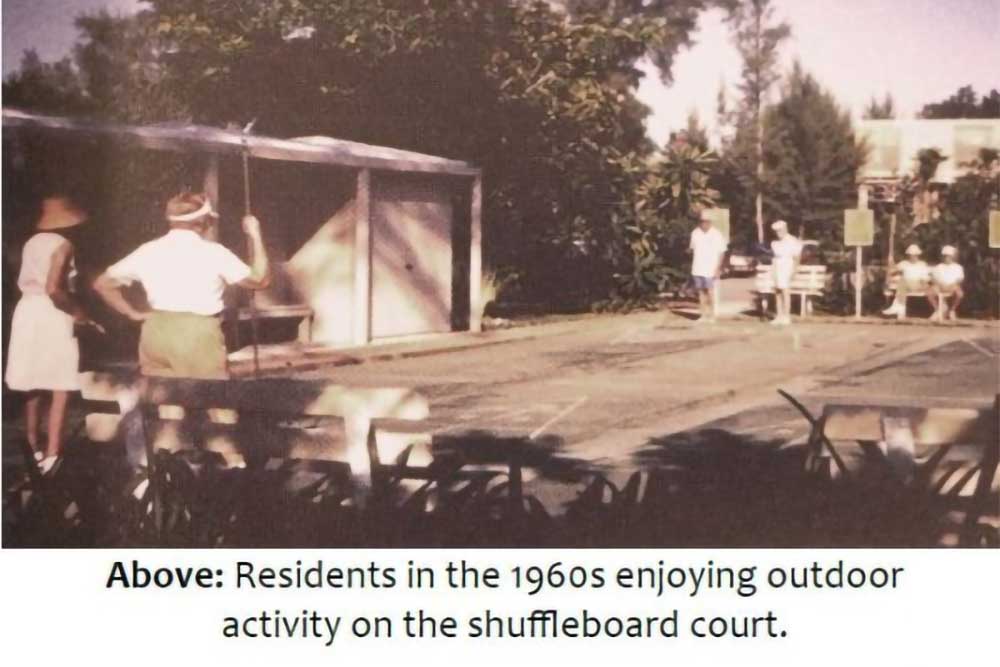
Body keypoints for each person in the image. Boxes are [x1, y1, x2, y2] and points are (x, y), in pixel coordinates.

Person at [93, 192, 270, 378]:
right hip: (196, 334)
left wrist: (132, 313)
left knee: (169, 400)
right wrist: (255, 235)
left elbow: (102, 284)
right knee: (217, 400)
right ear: (202, 222)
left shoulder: (148, 250)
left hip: (156, 331)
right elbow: (260, 280)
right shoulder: (214, 253)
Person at [5, 195, 101, 474]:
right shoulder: (64, 245)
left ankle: (32, 447)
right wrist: (79, 314)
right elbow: (54, 289)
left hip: (27, 311)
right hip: (52, 312)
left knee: (32, 382)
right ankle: (52, 454)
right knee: (60, 383)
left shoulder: (30, 243)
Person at [688, 213, 727, 323]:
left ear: (710, 222)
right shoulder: (695, 233)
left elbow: (722, 252)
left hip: (710, 269)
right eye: (702, 221)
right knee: (700, 292)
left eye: (706, 221)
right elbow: (692, 249)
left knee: (710, 292)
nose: (704, 223)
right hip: (697, 268)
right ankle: (703, 315)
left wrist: (718, 268)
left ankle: (712, 315)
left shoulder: (717, 234)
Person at [882, 244, 930, 317]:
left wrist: (924, 286)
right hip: (905, 285)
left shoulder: (922, 264)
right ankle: (899, 310)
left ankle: (895, 307)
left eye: (914, 255)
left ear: (917, 255)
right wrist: (891, 265)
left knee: (902, 283)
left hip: (918, 285)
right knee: (902, 284)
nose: (912, 257)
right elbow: (892, 271)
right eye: (910, 255)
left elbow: (925, 279)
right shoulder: (904, 263)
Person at [769, 220, 801, 326]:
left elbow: (796, 258)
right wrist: (773, 270)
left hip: (787, 265)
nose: (779, 233)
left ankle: (786, 316)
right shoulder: (775, 243)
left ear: (785, 229)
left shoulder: (792, 240)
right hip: (778, 266)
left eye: (780, 230)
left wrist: (794, 271)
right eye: (777, 231)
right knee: (777, 292)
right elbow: (774, 257)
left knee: (785, 291)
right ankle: (779, 315)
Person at [928, 245, 964, 321]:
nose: (947, 258)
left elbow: (960, 279)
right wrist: (939, 284)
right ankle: (938, 310)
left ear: (952, 257)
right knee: (930, 293)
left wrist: (952, 285)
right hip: (940, 286)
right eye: (945, 256)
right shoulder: (938, 267)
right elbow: (933, 278)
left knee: (959, 294)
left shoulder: (958, 267)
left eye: (949, 256)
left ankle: (951, 310)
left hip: (952, 286)